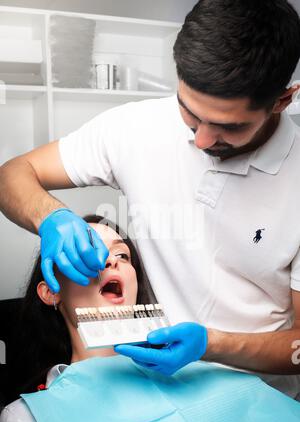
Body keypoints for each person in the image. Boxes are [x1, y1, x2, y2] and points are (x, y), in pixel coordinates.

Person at [0, 0, 300, 398]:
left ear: (283, 100)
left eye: (228, 127)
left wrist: (211, 345)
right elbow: (12, 175)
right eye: (189, 113)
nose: (201, 140)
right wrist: (50, 216)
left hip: (256, 403)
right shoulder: (134, 128)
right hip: (151, 389)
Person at [0, 215, 157, 422]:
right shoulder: (28, 420)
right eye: (85, 256)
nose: (111, 261)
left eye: (122, 255)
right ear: (51, 292)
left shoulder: (187, 374)